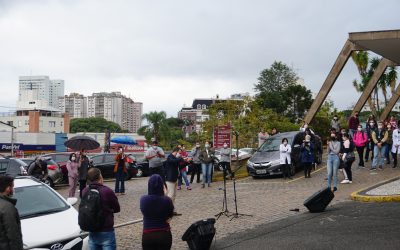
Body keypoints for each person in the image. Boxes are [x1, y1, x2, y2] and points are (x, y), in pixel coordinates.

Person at [83, 168, 120, 250]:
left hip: (92, 230)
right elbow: (117, 208)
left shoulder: (85, 191)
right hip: (106, 230)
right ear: (100, 177)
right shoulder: (107, 191)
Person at [140, 174, 174, 250]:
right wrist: (165, 194)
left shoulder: (143, 199)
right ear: (162, 186)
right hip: (164, 233)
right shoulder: (167, 200)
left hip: (148, 234)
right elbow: (170, 214)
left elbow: (143, 211)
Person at [0, 176, 23, 250]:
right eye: (12, 187)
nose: (13, 189)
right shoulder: (7, 208)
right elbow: (13, 236)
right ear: (8, 188)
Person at [165, 147, 182, 215]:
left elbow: (179, 167)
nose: (180, 154)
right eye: (179, 153)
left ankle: (172, 210)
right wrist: (180, 158)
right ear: (176, 151)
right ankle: (167, 211)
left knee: (174, 195)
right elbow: (173, 161)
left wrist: (188, 162)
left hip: (175, 178)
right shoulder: (170, 157)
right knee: (170, 195)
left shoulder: (175, 158)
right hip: (170, 179)